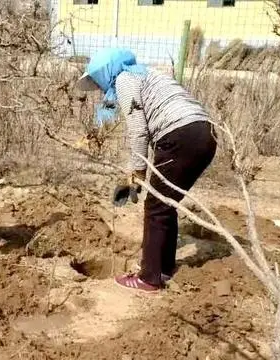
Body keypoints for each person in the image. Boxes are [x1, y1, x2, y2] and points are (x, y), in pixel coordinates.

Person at [76, 48, 217, 293]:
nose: (99, 87)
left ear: (106, 72)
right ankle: (164, 267)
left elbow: (139, 131)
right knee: (165, 203)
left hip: (180, 135)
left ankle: (149, 278)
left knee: (155, 206)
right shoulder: (149, 74)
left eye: (98, 80)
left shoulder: (124, 79)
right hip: (205, 134)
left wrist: (137, 173)